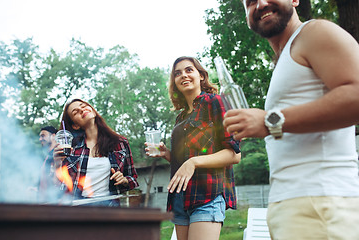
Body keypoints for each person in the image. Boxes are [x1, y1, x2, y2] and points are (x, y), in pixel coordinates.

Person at [223, 0, 359, 239]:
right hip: (292, 206)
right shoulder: (286, 57)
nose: (261, 4)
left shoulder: (315, 32)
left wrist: (269, 121)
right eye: (251, 1)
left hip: (321, 203)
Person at [146, 56, 241, 240]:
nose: (184, 75)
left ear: (201, 76)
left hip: (207, 195)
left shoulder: (215, 102)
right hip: (180, 198)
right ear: (174, 82)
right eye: (177, 73)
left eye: (189, 70)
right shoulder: (180, 118)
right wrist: (167, 154)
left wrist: (194, 162)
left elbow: (234, 154)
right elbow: (184, 163)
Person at [54, 98, 139, 206]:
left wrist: (124, 180)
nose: (81, 109)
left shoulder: (120, 143)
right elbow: (58, 187)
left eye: (83, 105)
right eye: (75, 112)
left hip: (109, 209)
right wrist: (57, 163)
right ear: (75, 125)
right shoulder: (71, 149)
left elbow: (133, 179)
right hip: (78, 210)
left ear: (92, 110)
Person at [38, 126, 58, 202]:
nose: (40, 139)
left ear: (53, 136)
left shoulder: (59, 155)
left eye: (43, 136)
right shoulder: (47, 157)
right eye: (40, 136)